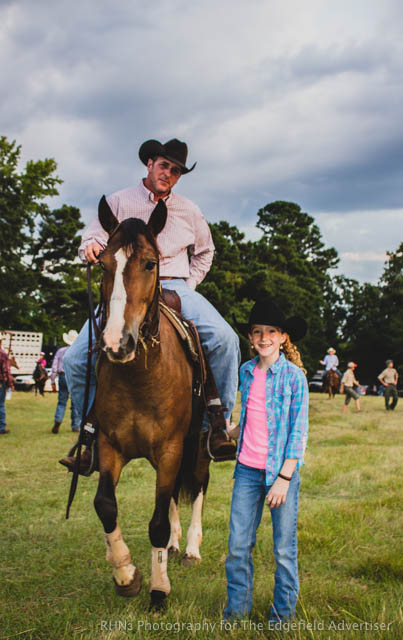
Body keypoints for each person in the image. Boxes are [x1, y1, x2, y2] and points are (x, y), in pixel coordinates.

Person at [61, 138, 240, 473]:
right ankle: (92, 434)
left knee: (225, 339)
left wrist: (189, 283)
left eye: (175, 171)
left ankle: (216, 426)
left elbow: (206, 251)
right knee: (74, 360)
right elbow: (92, 237)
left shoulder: (189, 210)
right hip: (124, 288)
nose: (168, 174)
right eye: (164, 166)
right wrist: (90, 247)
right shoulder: (119, 201)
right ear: (149, 164)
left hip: (173, 285)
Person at [223, 299, 308, 624]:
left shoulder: (293, 377)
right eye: (257, 331)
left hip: (279, 473)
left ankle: (282, 616)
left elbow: (297, 432)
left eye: (271, 331)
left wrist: (284, 479)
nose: (263, 337)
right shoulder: (246, 371)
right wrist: (229, 431)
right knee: (238, 546)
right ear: (250, 336)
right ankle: (236, 614)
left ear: (283, 337)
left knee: (284, 550)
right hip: (246, 471)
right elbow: (253, 417)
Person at [51, 330, 81, 433]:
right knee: (75, 403)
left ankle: (58, 419)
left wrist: (52, 380)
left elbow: (54, 366)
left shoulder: (60, 351)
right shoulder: (78, 351)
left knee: (62, 402)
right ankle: (76, 425)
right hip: (74, 376)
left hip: (62, 376)